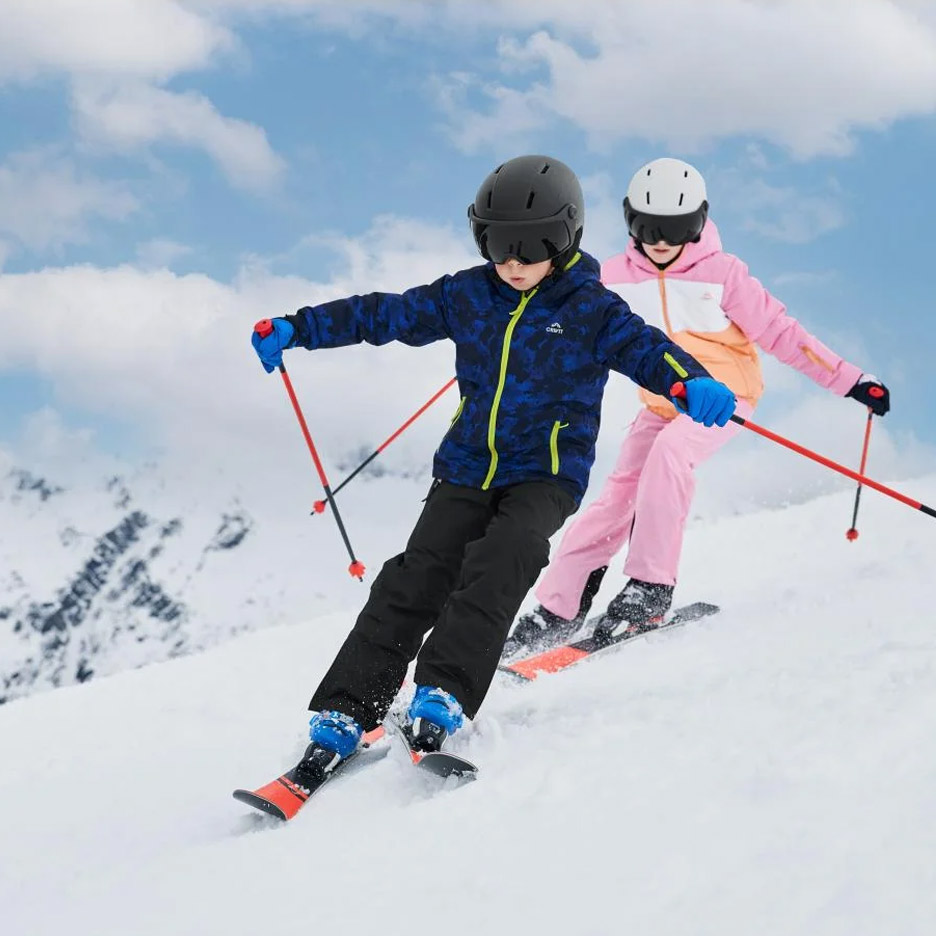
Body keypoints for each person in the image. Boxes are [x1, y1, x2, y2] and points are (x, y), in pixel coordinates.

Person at [250, 154, 734, 771]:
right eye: (498, 245)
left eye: (530, 247)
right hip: (466, 467)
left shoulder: (590, 308)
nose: (512, 262)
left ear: (565, 240)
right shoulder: (469, 293)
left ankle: (443, 695)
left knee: (501, 561)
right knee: (414, 578)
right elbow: (385, 313)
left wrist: (690, 382)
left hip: (545, 473)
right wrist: (298, 328)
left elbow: (645, 349)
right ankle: (347, 709)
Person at [504, 157, 890, 657]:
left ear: (700, 221)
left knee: (670, 457)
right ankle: (560, 604)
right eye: (646, 226)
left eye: (677, 227)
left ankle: (650, 589)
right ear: (628, 219)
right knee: (616, 496)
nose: (660, 240)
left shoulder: (723, 275)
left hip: (724, 398)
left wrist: (852, 381)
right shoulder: (613, 277)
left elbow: (782, 334)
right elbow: (562, 312)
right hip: (664, 402)